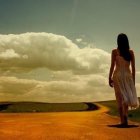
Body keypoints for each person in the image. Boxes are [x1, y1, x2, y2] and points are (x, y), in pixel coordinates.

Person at [109, 33, 139, 127]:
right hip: (127, 76)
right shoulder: (131, 52)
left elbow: (112, 66)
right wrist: (133, 81)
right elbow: (133, 68)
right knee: (126, 96)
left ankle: (122, 120)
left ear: (118, 41)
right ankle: (125, 117)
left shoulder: (114, 51)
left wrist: (109, 77)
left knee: (119, 97)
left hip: (117, 75)